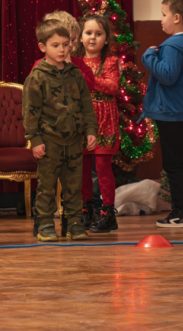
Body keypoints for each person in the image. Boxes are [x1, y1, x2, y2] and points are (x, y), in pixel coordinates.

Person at [23, 19, 97, 242]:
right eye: (56, 45)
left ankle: (74, 223)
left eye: (65, 45)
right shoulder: (37, 76)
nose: (62, 49)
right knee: (46, 187)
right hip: (49, 141)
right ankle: (45, 224)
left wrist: (90, 130)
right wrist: (35, 140)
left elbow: (86, 104)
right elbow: (30, 112)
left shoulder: (75, 73)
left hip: (74, 141)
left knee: (74, 186)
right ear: (42, 47)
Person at [142, 0, 183, 228]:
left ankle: (180, 212)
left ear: (177, 17)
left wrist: (149, 56)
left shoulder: (172, 45)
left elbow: (167, 76)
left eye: (163, 14)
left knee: (172, 163)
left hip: (172, 113)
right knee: (179, 160)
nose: (161, 19)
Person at [75, 14, 120, 233]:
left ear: (106, 38)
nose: (93, 38)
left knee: (103, 168)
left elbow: (112, 87)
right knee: (82, 168)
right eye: (88, 33)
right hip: (81, 121)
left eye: (98, 34)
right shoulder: (75, 61)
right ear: (81, 37)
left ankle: (108, 212)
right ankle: (86, 209)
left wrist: (90, 80)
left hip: (104, 121)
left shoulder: (111, 62)